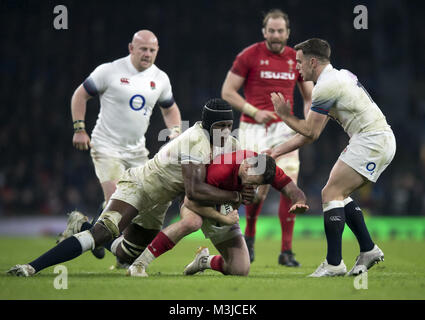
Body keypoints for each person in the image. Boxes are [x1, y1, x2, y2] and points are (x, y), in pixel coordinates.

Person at [7, 98, 255, 277]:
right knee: (102, 234)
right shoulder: (193, 140)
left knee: (127, 254)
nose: (224, 132)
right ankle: (31, 267)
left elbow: (239, 172)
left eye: (227, 126)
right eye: (219, 127)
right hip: (140, 186)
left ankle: (80, 223)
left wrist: (248, 187)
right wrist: (234, 195)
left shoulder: (229, 143)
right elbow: (194, 191)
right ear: (207, 125)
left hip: (161, 202)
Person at [268, 38, 396, 277]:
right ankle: (367, 249)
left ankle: (334, 263)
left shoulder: (324, 87)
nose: (296, 67)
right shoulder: (339, 76)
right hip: (374, 139)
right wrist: (276, 151)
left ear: (313, 61)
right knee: (338, 193)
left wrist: (285, 115)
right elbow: (310, 135)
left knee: (330, 194)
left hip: (371, 140)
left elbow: (310, 131)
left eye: (299, 62)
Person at [60, 30, 182, 259]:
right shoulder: (109, 71)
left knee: (141, 204)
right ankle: (101, 240)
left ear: (157, 52)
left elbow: (170, 108)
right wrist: (79, 129)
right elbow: (80, 95)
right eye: (143, 49)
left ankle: (84, 227)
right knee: (117, 198)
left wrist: (175, 131)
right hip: (106, 147)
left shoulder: (161, 78)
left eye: (152, 50)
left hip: (137, 151)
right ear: (131, 48)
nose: (147, 54)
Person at [221, 9, 313, 266]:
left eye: (280, 31)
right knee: (255, 189)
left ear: (288, 33)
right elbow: (227, 91)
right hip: (253, 128)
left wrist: (306, 122)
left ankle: (286, 251)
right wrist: (254, 111)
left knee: (289, 187)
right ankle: (248, 240)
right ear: (264, 32)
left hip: (285, 130)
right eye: (271, 31)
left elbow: (309, 96)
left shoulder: (296, 59)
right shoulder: (249, 55)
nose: (275, 35)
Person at [126, 150, 309, 277]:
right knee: (192, 223)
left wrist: (299, 202)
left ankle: (204, 260)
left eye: (256, 185)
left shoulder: (265, 168)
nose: (252, 187)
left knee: (241, 269)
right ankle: (140, 263)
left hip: (225, 206)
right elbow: (191, 201)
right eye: (251, 182)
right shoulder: (221, 170)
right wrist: (223, 216)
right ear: (246, 166)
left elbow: (293, 189)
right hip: (198, 202)